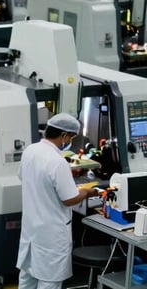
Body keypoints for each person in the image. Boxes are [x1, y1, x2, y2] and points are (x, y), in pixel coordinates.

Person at [17, 113, 100, 289]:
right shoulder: (57, 162)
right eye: (70, 137)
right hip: (51, 237)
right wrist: (87, 192)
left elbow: (23, 177)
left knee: (27, 279)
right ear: (63, 136)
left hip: (32, 231)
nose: (69, 141)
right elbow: (69, 199)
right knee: (49, 282)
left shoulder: (30, 151)